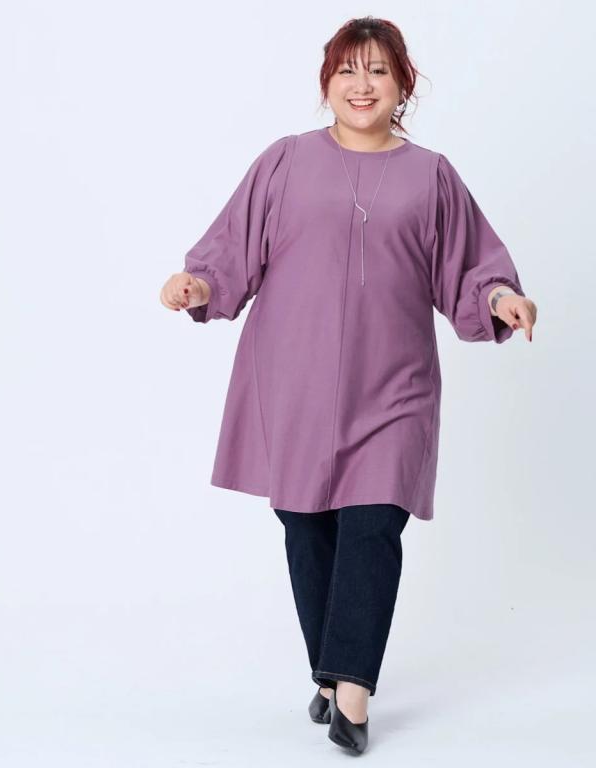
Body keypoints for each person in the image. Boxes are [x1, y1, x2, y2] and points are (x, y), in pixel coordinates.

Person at [160, 16, 537, 755]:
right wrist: (197, 283)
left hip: (394, 386)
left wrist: (500, 298)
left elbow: (469, 266)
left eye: (378, 71)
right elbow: (231, 252)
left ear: (403, 86)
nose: (362, 85)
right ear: (327, 82)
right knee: (307, 526)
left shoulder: (432, 176)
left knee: (373, 525)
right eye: (347, 70)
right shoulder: (284, 161)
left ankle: (352, 696)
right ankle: (330, 673)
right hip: (293, 381)